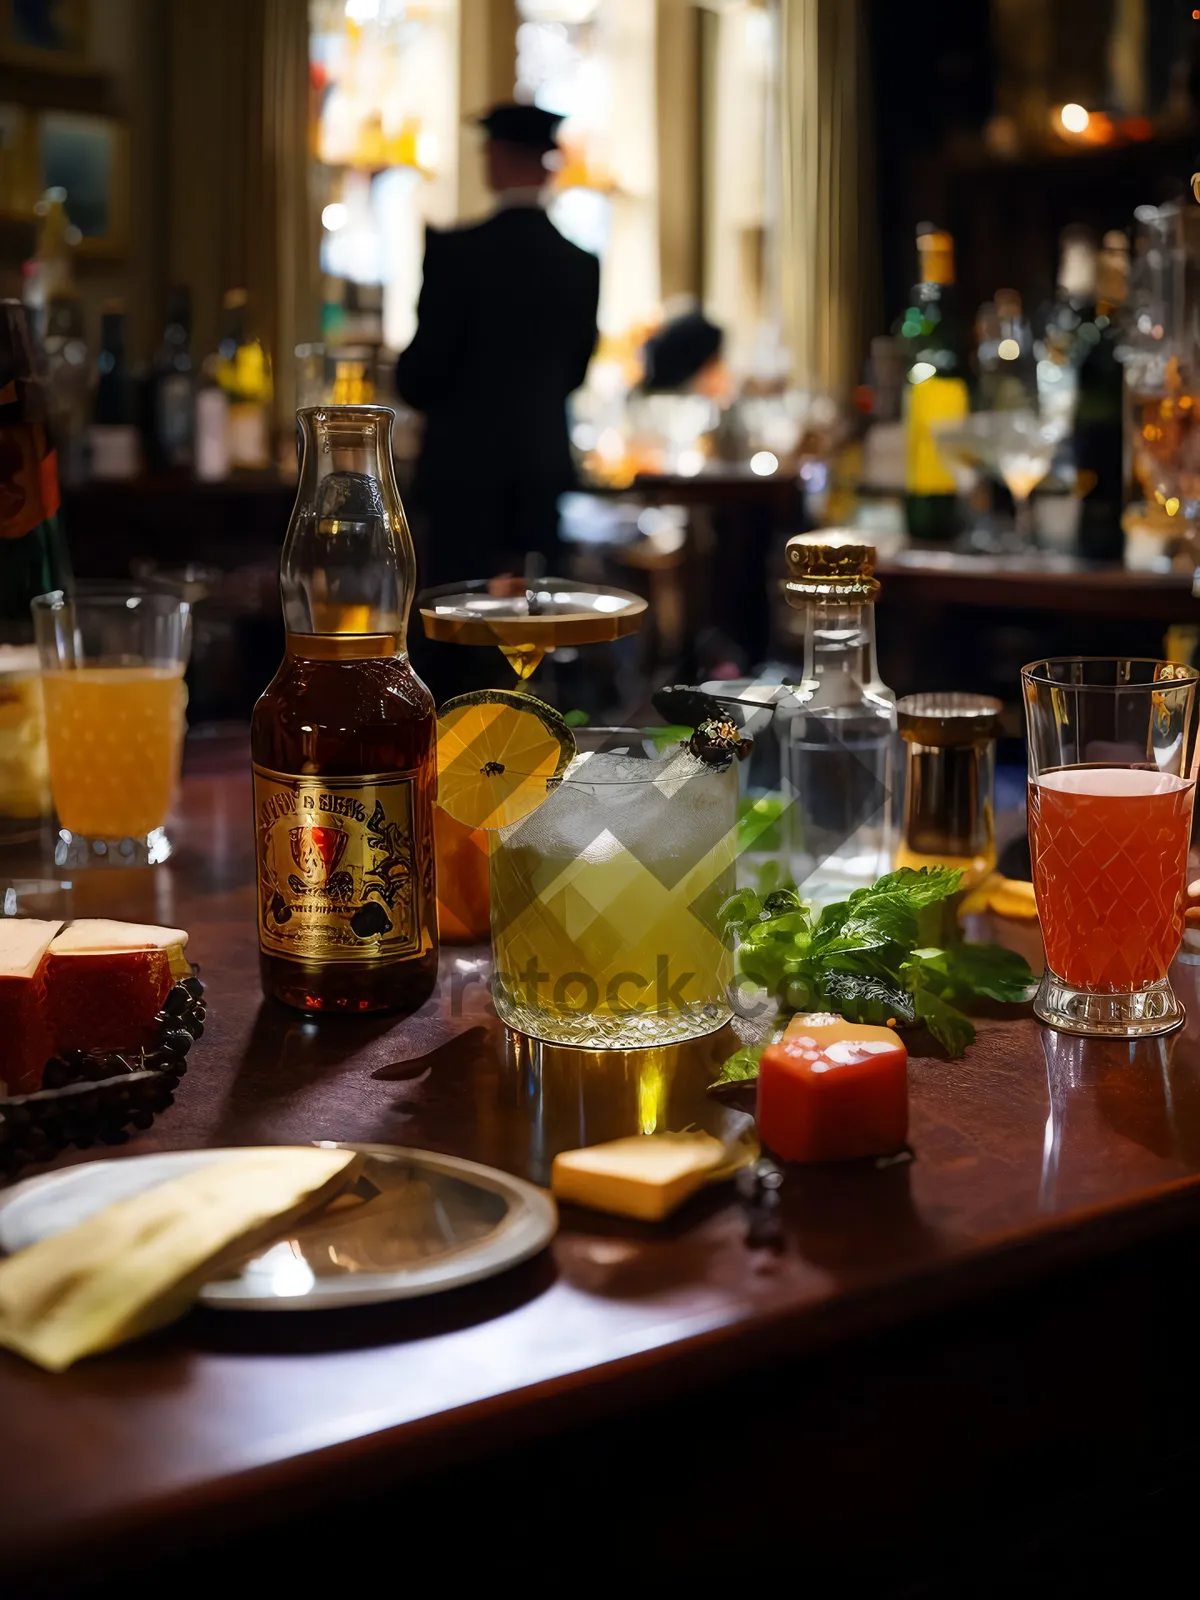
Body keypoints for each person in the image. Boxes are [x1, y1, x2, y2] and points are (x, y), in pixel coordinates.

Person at [396, 103, 601, 601]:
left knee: (454, 626)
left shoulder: (456, 253)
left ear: (497, 158)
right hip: (539, 471)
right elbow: (575, 372)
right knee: (535, 629)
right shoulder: (579, 263)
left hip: (461, 479)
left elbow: (420, 376)